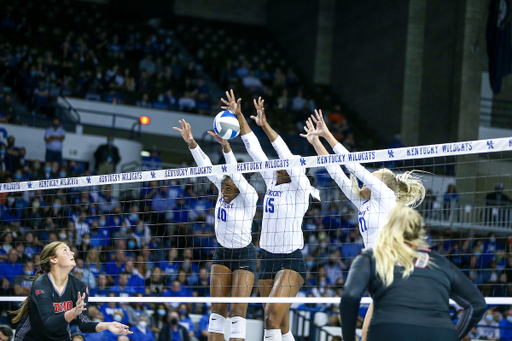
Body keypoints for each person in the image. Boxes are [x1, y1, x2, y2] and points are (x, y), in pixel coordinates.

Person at [302, 109, 425, 341]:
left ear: (382, 185)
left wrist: (328, 135)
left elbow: (353, 166)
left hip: (392, 267)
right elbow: (336, 173)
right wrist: (316, 141)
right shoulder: (364, 203)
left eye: (373, 176)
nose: (366, 178)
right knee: (372, 330)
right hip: (375, 269)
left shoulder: (385, 197)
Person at [227, 90, 319, 341]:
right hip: (266, 258)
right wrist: (240, 118)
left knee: (270, 319)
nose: (277, 166)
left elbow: (286, 155)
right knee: (281, 327)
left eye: (282, 165)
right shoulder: (273, 181)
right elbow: (254, 150)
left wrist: (266, 125)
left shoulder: (300, 188)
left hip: (290, 261)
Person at [339, 204, 486, 341]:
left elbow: (350, 295)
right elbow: (477, 304)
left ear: (386, 228)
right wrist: (452, 335)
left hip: (390, 331)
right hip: (439, 333)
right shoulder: (439, 262)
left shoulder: (372, 257)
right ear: (418, 232)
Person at [174, 118, 258, 341]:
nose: (225, 191)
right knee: (217, 311)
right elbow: (204, 165)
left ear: (239, 188)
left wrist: (226, 147)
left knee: (238, 313)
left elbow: (236, 175)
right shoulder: (223, 186)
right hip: (222, 253)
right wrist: (191, 141)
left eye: (229, 188)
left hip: (244, 255)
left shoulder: (249, 196)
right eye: (222, 187)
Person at [9, 241, 131, 341]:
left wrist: (107, 325)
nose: (72, 252)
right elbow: (50, 323)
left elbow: (84, 324)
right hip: (32, 337)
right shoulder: (41, 284)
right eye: (65, 250)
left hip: (61, 338)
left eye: (70, 250)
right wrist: (74, 311)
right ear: (53, 259)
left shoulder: (80, 286)